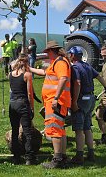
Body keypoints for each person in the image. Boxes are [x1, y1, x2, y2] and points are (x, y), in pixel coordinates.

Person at [29, 41, 72, 169]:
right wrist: (28, 68)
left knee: (54, 130)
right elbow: (44, 73)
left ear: (51, 51)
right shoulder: (56, 63)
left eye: (47, 51)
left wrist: (56, 98)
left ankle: (57, 159)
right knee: (60, 130)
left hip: (56, 102)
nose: (46, 54)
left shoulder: (60, 62)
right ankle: (62, 157)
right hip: (54, 101)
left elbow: (63, 78)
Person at [67, 46, 106, 165]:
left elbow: (77, 83)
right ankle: (91, 154)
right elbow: (99, 77)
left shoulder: (75, 67)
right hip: (91, 99)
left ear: (72, 55)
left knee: (78, 130)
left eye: (69, 54)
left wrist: (74, 102)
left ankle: (79, 156)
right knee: (87, 128)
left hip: (81, 100)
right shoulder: (87, 66)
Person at [9, 54, 36, 165]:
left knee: (15, 130)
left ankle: (16, 156)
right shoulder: (27, 75)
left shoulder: (10, 74)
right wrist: (32, 107)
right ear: (27, 63)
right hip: (23, 103)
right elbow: (30, 94)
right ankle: (29, 157)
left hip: (12, 103)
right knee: (27, 131)